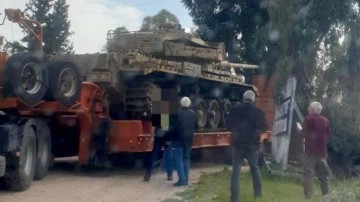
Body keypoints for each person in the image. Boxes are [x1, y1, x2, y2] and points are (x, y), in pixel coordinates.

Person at [226, 90, 268, 202]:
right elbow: (265, 127)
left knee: (235, 171)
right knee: (254, 168)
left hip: (238, 143)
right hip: (252, 145)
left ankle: (234, 198)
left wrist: (236, 131)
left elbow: (228, 125)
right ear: (253, 99)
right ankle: (258, 195)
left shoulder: (235, 109)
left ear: (243, 98)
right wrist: (256, 132)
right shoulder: (258, 112)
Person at [297, 101, 332, 201]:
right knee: (323, 176)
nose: (308, 110)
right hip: (322, 153)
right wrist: (322, 142)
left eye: (309, 108)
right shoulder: (326, 121)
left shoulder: (308, 119)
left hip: (310, 153)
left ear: (312, 110)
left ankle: (308, 197)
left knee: (308, 175)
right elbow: (329, 136)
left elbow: (304, 135)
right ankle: (325, 197)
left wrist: (299, 129)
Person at [172, 96, 198, 186]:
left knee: (178, 159)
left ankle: (182, 179)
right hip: (189, 139)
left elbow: (173, 127)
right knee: (186, 159)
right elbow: (197, 126)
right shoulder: (193, 114)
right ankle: (186, 179)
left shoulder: (177, 113)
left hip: (179, 139)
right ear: (189, 104)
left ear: (180, 104)